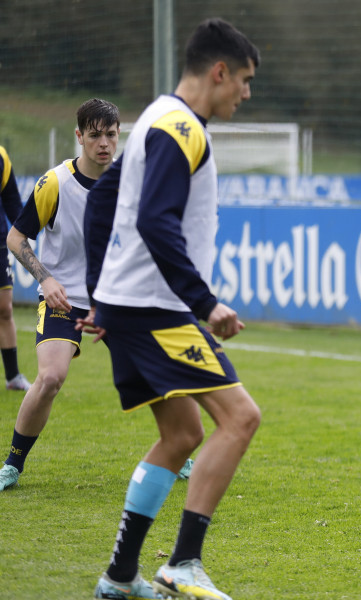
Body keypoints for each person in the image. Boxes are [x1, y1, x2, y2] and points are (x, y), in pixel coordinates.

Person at [82, 19, 261, 600]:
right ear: (219, 72)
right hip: (155, 310)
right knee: (240, 418)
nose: (246, 93)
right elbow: (154, 220)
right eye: (244, 80)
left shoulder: (158, 117)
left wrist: (99, 291)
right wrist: (205, 303)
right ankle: (183, 562)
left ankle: (119, 575)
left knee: (182, 433)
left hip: (130, 305)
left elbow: (105, 199)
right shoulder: (181, 127)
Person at [0, 100, 193, 494]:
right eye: (94, 135)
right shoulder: (54, 183)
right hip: (64, 299)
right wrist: (46, 278)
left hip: (117, 297)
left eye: (110, 134)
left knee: (152, 370)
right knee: (51, 377)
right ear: (79, 137)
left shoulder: (134, 183)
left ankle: (179, 452)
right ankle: (12, 464)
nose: (104, 143)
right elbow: (16, 237)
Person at [0, 145, 32, 392]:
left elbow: (11, 198)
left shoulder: (1, 156)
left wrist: (27, 230)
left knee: (4, 308)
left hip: (0, 243)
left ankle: (13, 377)